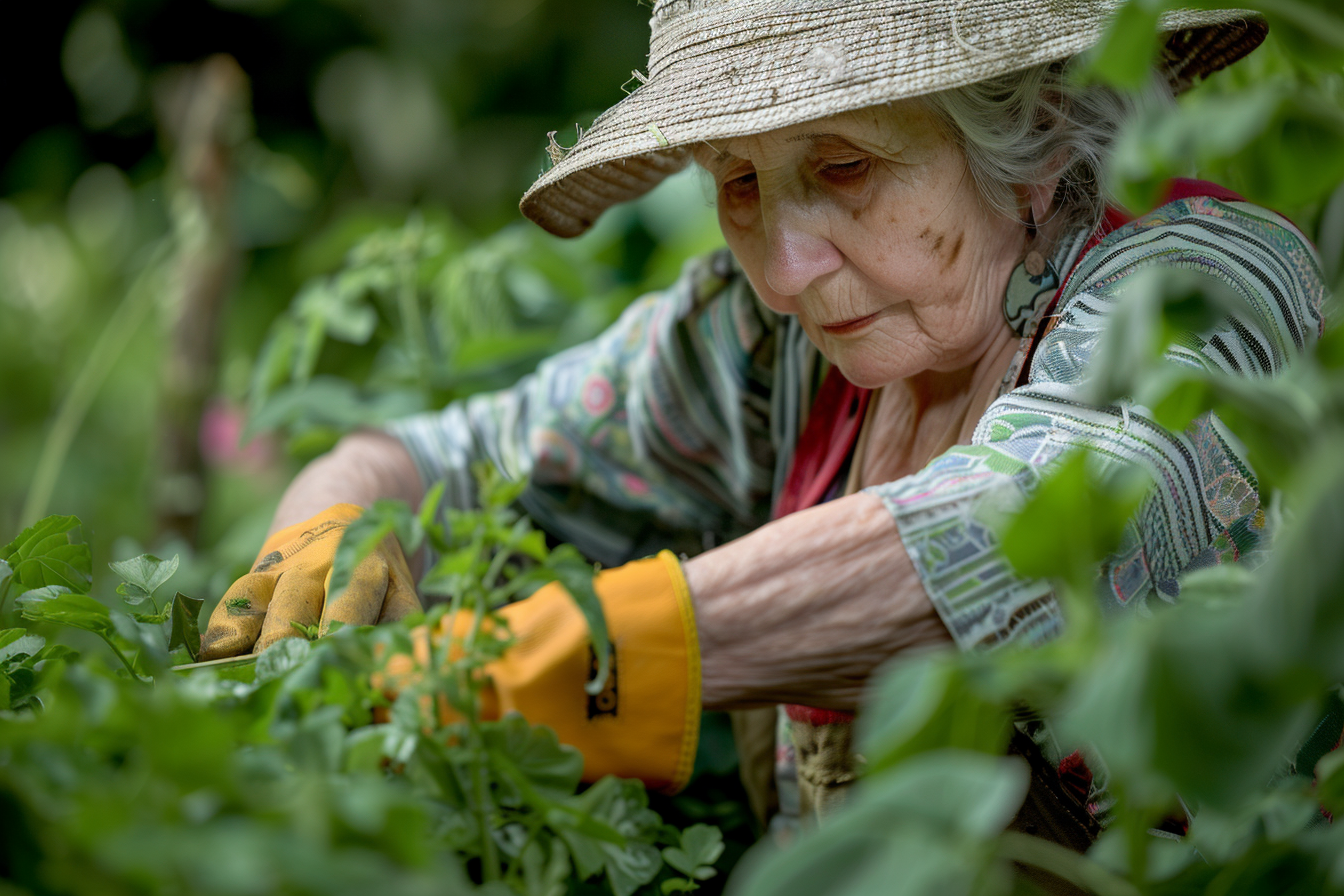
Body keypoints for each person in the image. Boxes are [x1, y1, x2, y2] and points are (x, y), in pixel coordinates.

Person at [200, 0, 1325, 839]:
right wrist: (331, 522)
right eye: (739, 184)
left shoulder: (1203, 289)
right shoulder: (769, 342)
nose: (783, 270)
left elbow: (1013, 538)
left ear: (1032, 126)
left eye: (842, 166)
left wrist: (583, 656)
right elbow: (426, 455)